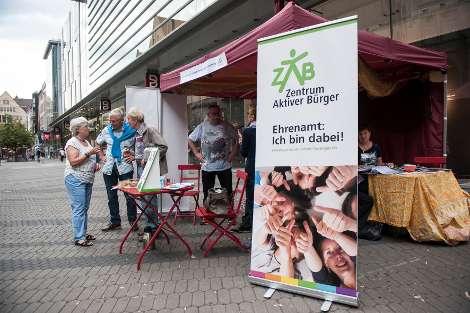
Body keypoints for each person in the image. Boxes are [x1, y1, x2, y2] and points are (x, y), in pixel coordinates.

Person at [123, 107, 168, 242]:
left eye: (129, 119)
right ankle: (150, 226)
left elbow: (163, 146)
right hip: (144, 169)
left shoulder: (150, 129)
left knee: (149, 200)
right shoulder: (137, 133)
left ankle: (153, 230)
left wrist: (148, 158)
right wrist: (133, 154)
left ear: (136, 119)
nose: (127, 122)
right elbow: (145, 151)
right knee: (145, 200)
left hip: (151, 170)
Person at [188, 104, 240, 209]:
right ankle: (208, 215)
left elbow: (240, 137)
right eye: (214, 113)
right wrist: (196, 153)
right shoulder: (202, 126)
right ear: (208, 115)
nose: (216, 116)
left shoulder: (226, 126)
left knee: (228, 192)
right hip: (207, 167)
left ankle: (229, 215)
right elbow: (190, 139)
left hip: (224, 166)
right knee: (207, 192)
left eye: (218, 113)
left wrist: (233, 152)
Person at [96, 108, 138, 232]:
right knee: (112, 197)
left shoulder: (131, 130)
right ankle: (115, 221)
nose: (111, 123)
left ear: (121, 121)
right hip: (109, 168)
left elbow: (141, 147)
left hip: (125, 168)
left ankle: (133, 221)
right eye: (110, 121)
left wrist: (134, 156)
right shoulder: (106, 131)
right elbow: (97, 143)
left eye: (114, 121)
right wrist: (101, 156)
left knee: (130, 196)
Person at [64, 117, 101, 246]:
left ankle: (83, 233)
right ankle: (78, 237)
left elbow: (90, 157)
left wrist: (95, 164)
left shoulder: (86, 142)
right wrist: (89, 153)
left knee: (84, 208)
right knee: (78, 208)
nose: (88, 128)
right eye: (86, 126)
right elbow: (73, 162)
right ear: (78, 128)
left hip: (87, 179)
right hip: (75, 178)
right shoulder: (72, 142)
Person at [233, 105, 256, 233]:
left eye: (248, 113)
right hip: (264, 170)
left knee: (252, 203)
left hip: (252, 170)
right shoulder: (267, 129)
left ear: (252, 116)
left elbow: (244, 153)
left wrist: (241, 139)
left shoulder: (248, 131)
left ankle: (253, 235)